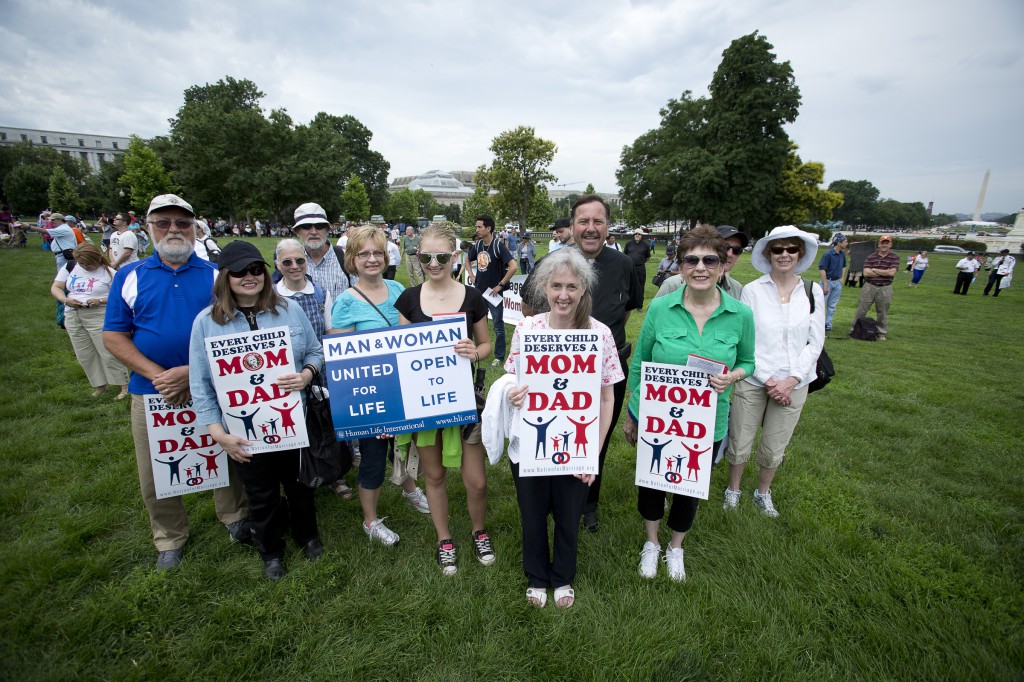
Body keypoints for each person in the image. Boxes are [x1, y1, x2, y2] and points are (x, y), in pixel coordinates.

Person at [103, 194, 251, 572]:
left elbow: (233, 332)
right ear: (148, 227)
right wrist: (160, 376)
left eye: (182, 223)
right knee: (157, 468)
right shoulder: (129, 275)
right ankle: (169, 537)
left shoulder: (215, 276)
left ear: (194, 228)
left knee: (225, 454)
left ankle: (234, 517)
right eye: (164, 222)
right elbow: (114, 335)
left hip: (211, 385)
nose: (174, 230)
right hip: (152, 391)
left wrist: (191, 372)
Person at [624, 226, 755, 581]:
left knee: (688, 489)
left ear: (723, 264)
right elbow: (640, 363)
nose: (701, 267)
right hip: (658, 417)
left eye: (709, 259)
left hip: (708, 421)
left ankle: (675, 546)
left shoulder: (740, 315)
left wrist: (734, 376)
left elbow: (749, 361)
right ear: (680, 267)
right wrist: (633, 415)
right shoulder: (661, 308)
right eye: (691, 260)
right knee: (651, 482)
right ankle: (652, 543)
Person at [189, 240, 324, 581]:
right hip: (243, 429)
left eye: (255, 270)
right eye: (239, 272)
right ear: (225, 277)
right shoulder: (206, 323)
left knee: (299, 486)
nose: (249, 277)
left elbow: (314, 351)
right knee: (260, 493)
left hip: (293, 419)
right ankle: (271, 551)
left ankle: (308, 536)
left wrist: (306, 375)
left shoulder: (288, 309)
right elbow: (200, 383)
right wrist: (217, 433)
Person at [502, 248, 623, 607]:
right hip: (530, 443)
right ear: (543, 286)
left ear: (584, 288)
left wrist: (593, 455)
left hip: (577, 445)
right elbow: (510, 379)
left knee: (570, 517)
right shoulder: (527, 329)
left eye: (572, 286)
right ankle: (537, 578)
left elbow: (606, 398)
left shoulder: (598, 334)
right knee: (533, 514)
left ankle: (564, 578)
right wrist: (512, 392)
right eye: (556, 286)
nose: (564, 295)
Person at [523, 195, 643, 532]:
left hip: (606, 373)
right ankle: (549, 501)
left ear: (608, 226)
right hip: (554, 374)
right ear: (572, 226)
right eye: (583, 221)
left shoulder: (623, 264)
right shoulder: (552, 263)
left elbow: (628, 309)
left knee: (596, 441)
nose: (591, 228)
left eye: (598, 221)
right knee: (551, 434)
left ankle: (587, 503)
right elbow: (531, 311)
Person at [395, 224, 494, 575]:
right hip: (424, 403)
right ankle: (444, 538)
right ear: (417, 256)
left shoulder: (471, 298)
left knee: (477, 480)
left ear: (454, 256)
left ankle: (478, 530)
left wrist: (474, 352)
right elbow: (400, 355)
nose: (433, 263)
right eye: (425, 257)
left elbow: (487, 345)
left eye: (441, 257)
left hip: (463, 400)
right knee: (433, 475)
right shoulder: (408, 300)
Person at [328, 226, 431, 546]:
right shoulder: (346, 302)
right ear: (352, 260)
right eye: (364, 254)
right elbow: (344, 361)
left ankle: (411, 490)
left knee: (405, 447)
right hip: (371, 398)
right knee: (373, 456)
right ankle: (370, 520)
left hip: (402, 391)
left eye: (377, 253)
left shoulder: (398, 289)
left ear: (386, 256)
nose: (371, 259)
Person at [724, 225, 824, 519]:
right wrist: (768, 379)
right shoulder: (753, 291)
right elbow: (746, 339)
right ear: (768, 253)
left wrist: (792, 379)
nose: (784, 255)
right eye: (778, 249)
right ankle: (733, 489)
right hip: (754, 378)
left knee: (775, 443)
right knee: (740, 438)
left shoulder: (811, 291)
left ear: (800, 253)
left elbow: (815, 341)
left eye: (790, 249)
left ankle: (762, 493)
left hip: (795, 381)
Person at [51, 242, 129, 399]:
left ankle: (124, 386)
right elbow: (56, 287)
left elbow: (121, 296)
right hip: (73, 314)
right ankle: (100, 385)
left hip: (98, 315)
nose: (85, 267)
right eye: (82, 264)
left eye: (88, 263)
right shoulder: (70, 267)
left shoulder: (110, 273)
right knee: (85, 354)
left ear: (97, 258)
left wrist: (100, 300)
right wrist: (66, 300)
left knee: (108, 352)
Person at [468, 214, 518, 368]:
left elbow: (514, 266)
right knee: (475, 324)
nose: (476, 229)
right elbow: (467, 260)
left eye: (479, 227)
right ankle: (477, 352)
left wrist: (501, 285)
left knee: (497, 326)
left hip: (493, 294)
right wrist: (471, 275)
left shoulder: (498, 245)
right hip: (479, 292)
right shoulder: (477, 245)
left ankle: (499, 356)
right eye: (476, 226)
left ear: (488, 228)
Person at [655, 225, 748, 301]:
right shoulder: (672, 286)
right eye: (725, 247)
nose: (730, 254)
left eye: (737, 250)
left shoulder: (737, 289)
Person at [273, 238, 331, 342]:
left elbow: (330, 335)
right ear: (278, 265)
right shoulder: (270, 296)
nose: (295, 266)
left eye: (299, 261)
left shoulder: (322, 294)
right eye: (287, 262)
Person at [291, 202, 350, 302]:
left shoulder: (345, 257)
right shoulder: (289, 263)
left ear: (327, 230)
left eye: (319, 226)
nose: (313, 232)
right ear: (297, 231)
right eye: (306, 226)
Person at [849, 235, 899, 341]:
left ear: (890, 244)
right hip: (869, 286)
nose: (884, 245)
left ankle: (881, 333)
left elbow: (892, 272)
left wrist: (875, 269)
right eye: (882, 243)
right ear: (879, 244)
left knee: (882, 311)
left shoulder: (894, 257)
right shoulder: (871, 256)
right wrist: (883, 272)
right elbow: (866, 273)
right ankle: (855, 330)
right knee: (861, 309)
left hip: (885, 287)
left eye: (887, 243)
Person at [817, 233, 848, 333]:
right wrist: (825, 284)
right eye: (845, 242)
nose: (846, 244)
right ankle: (818, 324)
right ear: (838, 243)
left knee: (832, 305)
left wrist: (841, 278)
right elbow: (822, 269)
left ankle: (828, 325)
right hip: (828, 281)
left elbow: (844, 266)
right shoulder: (828, 254)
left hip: (837, 282)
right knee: (821, 304)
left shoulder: (842, 254)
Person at [623, 229, 653, 297]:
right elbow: (624, 255)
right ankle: (629, 300)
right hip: (629, 267)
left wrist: (640, 262)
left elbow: (648, 257)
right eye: (636, 234)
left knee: (640, 284)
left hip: (640, 268)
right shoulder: (628, 243)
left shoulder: (646, 245)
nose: (637, 235)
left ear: (641, 236)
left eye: (639, 234)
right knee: (629, 283)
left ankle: (639, 303)